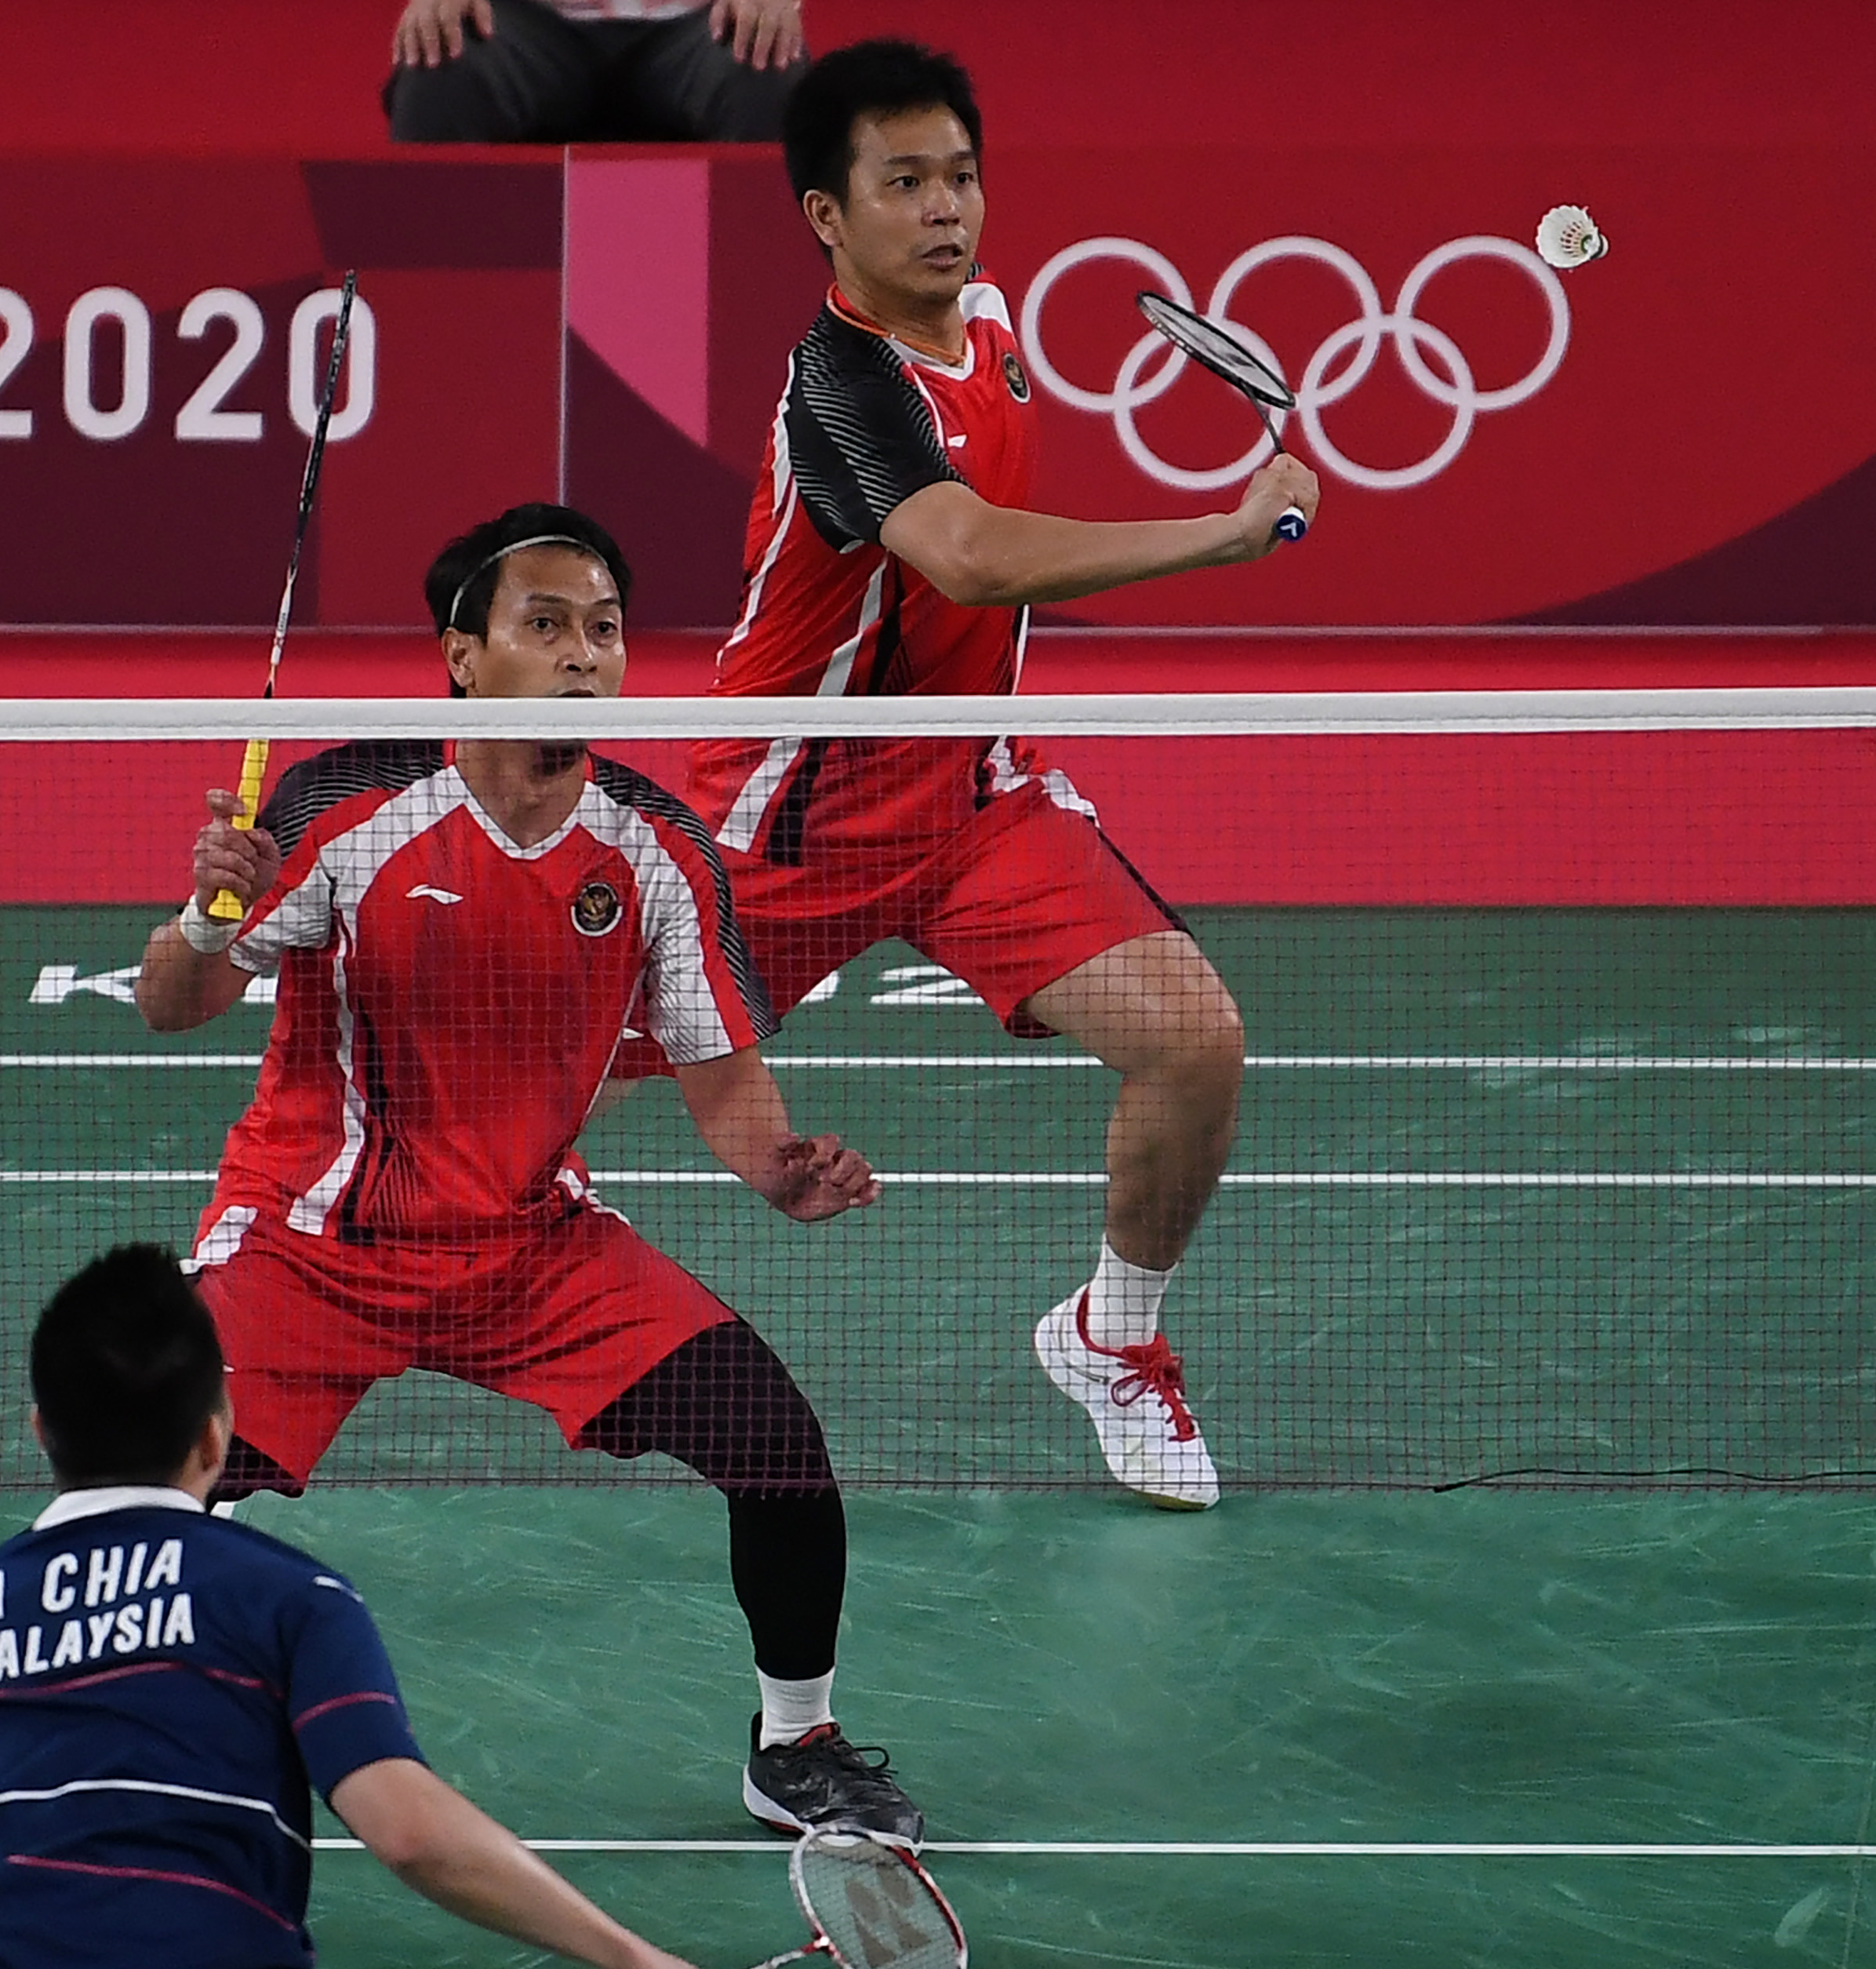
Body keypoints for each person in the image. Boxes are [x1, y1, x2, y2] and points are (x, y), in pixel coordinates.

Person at [132, 500, 924, 1848]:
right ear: (464, 654)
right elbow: (171, 1004)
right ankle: (118, 1750)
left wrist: (781, 1175)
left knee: (777, 1444)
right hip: (315, 1242)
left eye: (602, 629)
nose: (580, 654)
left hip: (528, 1245)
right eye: (543, 624)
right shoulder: (344, 803)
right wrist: (207, 910)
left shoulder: (658, 848)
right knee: (151, 1496)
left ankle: (796, 1745)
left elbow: (719, 1071)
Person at [671, 38, 1325, 1512]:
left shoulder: (996, 322)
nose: (945, 209)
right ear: (829, 218)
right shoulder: (838, 388)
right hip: (793, 813)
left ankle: (1114, 1338)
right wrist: (1217, 535)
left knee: (1194, 1039)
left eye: (960, 175)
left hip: (974, 805)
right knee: (542, 1061)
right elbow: (962, 547)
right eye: (901, 183)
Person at [0, 1246, 724, 1969]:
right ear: (216, 1438)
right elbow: (410, 1834)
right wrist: (629, 1956)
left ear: (40, 1432)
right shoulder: (285, 1596)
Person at [386, 0, 806, 144]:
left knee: (765, 72)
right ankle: (430, 312)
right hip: (526, 21)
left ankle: (769, 313)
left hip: (697, 23)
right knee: (440, 66)